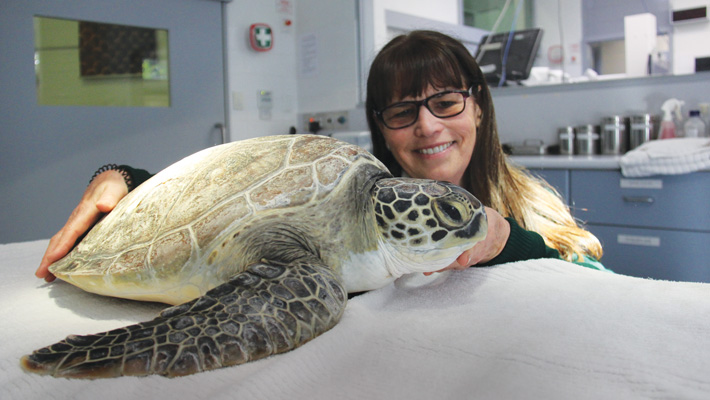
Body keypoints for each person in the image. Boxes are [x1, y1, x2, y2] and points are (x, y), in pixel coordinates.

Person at [35, 30, 605, 283]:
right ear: (382, 130)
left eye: (446, 101)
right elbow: (236, 197)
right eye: (402, 111)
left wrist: (504, 239)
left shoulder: (531, 207)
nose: (428, 125)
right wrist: (124, 179)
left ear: (478, 107)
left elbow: (595, 288)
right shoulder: (340, 196)